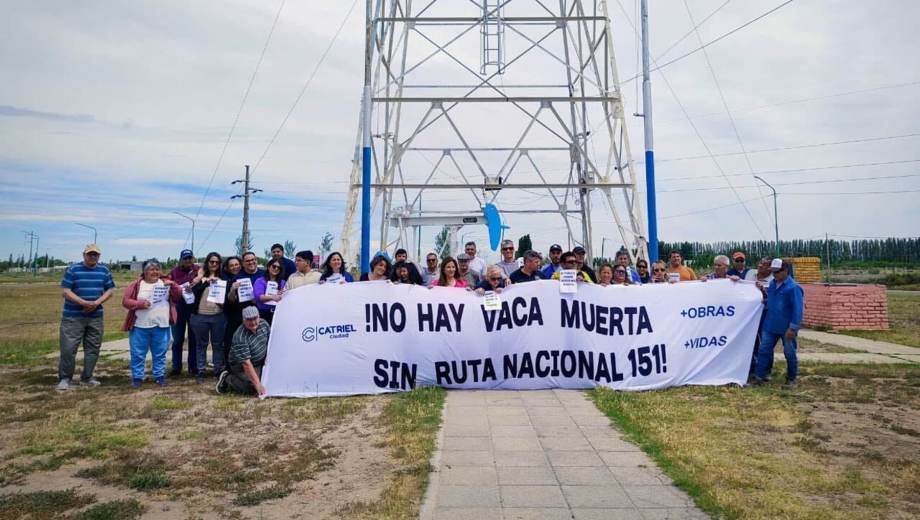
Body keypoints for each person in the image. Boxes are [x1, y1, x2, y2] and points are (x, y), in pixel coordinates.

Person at [57, 244, 116, 390]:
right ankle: (65, 378)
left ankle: (87, 377)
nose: (93, 257)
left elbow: (110, 289)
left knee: (93, 348)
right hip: (73, 316)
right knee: (68, 348)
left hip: (96, 316)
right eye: (90, 254)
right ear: (84, 255)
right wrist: (82, 302)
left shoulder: (104, 270)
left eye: (95, 254)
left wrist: (97, 302)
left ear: (99, 256)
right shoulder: (73, 269)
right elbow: (66, 291)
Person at [122, 259, 181, 388]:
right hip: (140, 325)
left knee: (160, 353)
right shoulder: (136, 285)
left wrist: (174, 285)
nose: (155, 272)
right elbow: (125, 301)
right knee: (138, 353)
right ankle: (137, 377)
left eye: (157, 269)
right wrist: (139, 304)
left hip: (161, 325)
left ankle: (159, 376)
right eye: (151, 269)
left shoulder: (165, 283)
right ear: (144, 271)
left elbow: (177, 297)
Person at [753, 259, 804, 389]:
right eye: (773, 272)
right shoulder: (772, 285)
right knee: (764, 351)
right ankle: (759, 377)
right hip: (770, 326)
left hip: (786, 328)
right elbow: (770, 301)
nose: (775, 274)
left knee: (789, 353)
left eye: (777, 272)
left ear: (785, 271)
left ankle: (791, 379)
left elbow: (798, 310)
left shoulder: (793, 288)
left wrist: (793, 328)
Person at [189, 252, 227, 381]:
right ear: (207, 262)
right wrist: (205, 281)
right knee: (201, 344)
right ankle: (201, 370)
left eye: (217, 262)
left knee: (217, 344)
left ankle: (217, 369)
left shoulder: (223, 278)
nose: (214, 264)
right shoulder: (200, 276)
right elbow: (192, 291)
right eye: (212, 261)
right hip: (200, 316)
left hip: (218, 316)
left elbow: (226, 299)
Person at [216, 306, 269, 396]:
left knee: (268, 380)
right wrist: (257, 385)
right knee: (254, 387)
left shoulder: (264, 324)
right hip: (241, 366)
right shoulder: (240, 337)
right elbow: (246, 364)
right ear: (243, 320)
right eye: (249, 320)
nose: (253, 322)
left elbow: (270, 343)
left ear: (259, 317)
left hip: (259, 362)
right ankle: (228, 379)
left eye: (255, 318)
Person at [168, 249, 199, 377]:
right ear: (181, 259)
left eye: (190, 258)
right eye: (185, 258)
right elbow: (167, 286)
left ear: (193, 258)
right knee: (177, 340)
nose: (188, 260)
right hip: (179, 308)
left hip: (194, 309)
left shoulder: (198, 270)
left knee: (194, 340)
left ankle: (193, 367)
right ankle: (176, 367)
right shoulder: (174, 272)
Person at [220, 256, 244, 370]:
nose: (235, 267)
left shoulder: (245, 276)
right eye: (231, 265)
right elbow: (229, 300)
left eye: (236, 264)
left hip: (245, 313)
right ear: (227, 268)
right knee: (229, 341)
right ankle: (229, 368)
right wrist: (233, 289)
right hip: (230, 314)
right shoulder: (225, 279)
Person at [253, 258, 285, 323]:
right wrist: (272, 297)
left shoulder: (283, 282)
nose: (276, 269)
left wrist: (282, 294)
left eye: (279, 268)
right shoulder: (260, 281)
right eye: (274, 266)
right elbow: (259, 297)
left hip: (278, 312)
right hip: (264, 312)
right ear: (268, 267)